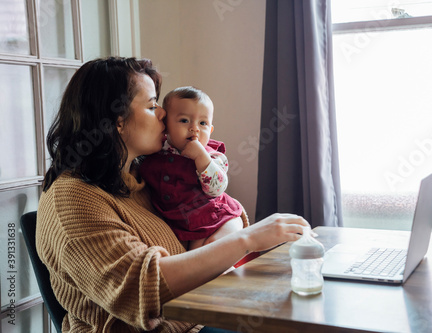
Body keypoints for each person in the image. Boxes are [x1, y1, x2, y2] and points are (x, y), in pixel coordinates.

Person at [37, 56, 309, 333]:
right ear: (117, 121)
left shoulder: (140, 177)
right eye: (152, 105)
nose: (163, 115)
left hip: (202, 315)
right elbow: (144, 289)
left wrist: (232, 221)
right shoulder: (71, 199)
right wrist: (246, 239)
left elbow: (209, 210)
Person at [140, 86, 243, 250]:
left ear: (210, 130)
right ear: (165, 126)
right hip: (184, 226)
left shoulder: (213, 157)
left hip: (217, 218)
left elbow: (217, 188)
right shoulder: (156, 153)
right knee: (199, 262)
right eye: (184, 120)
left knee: (213, 250)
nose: (194, 128)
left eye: (203, 123)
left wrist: (201, 158)